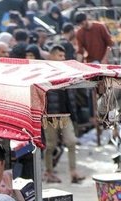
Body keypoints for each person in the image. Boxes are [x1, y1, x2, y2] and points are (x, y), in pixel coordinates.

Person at [44, 46, 84, 184]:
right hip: (50, 116)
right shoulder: (45, 72)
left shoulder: (67, 72)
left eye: (63, 55)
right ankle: (48, 172)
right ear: (52, 55)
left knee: (71, 141)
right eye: (60, 55)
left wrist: (74, 116)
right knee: (50, 145)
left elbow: (71, 96)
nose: (62, 58)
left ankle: (73, 172)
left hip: (65, 115)